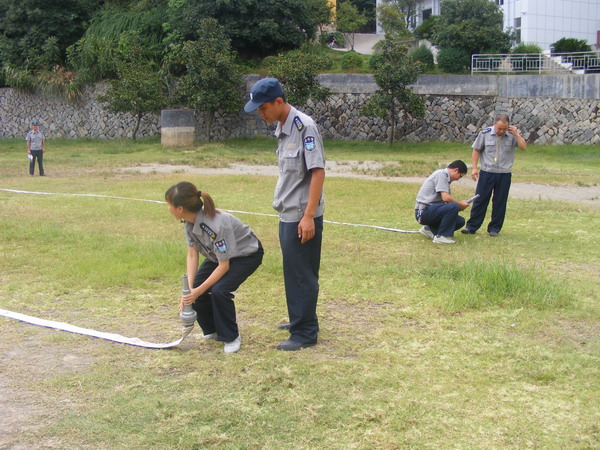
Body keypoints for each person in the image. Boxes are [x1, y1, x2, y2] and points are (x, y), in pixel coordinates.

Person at [244, 77, 325, 351]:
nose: (261, 113)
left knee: (302, 274)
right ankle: (299, 320)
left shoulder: (304, 127)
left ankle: (304, 334)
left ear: (278, 101)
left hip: (302, 215)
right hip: (288, 213)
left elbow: (317, 171)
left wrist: (308, 216)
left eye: (263, 107)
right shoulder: (282, 127)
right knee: (294, 271)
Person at [165, 182, 263, 354]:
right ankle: (212, 329)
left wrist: (197, 291)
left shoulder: (217, 225)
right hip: (218, 257)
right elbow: (192, 254)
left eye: (169, 205)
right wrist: (190, 290)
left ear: (180, 208)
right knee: (196, 288)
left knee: (219, 290)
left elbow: (224, 266)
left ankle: (231, 336)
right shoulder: (189, 222)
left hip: (245, 255)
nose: (168, 209)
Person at [462, 114, 527, 237]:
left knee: (500, 201)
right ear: (494, 124)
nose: (501, 131)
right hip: (487, 172)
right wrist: (474, 168)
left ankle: (494, 228)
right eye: (499, 128)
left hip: (504, 173)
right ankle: (472, 226)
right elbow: (476, 150)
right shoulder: (485, 133)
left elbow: (523, 147)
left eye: (504, 129)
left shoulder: (512, 135)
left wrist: (517, 135)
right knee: (480, 200)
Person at [415, 160, 470, 244]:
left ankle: (429, 229)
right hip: (422, 212)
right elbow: (446, 198)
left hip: (431, 210)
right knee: (453, 206)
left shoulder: (445, 178)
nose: (458, 179)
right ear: (456, 170)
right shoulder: (441, 174)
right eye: (460, 176)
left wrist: (460, 206)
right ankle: (441, 236)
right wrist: (459, 205)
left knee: (459, 221)